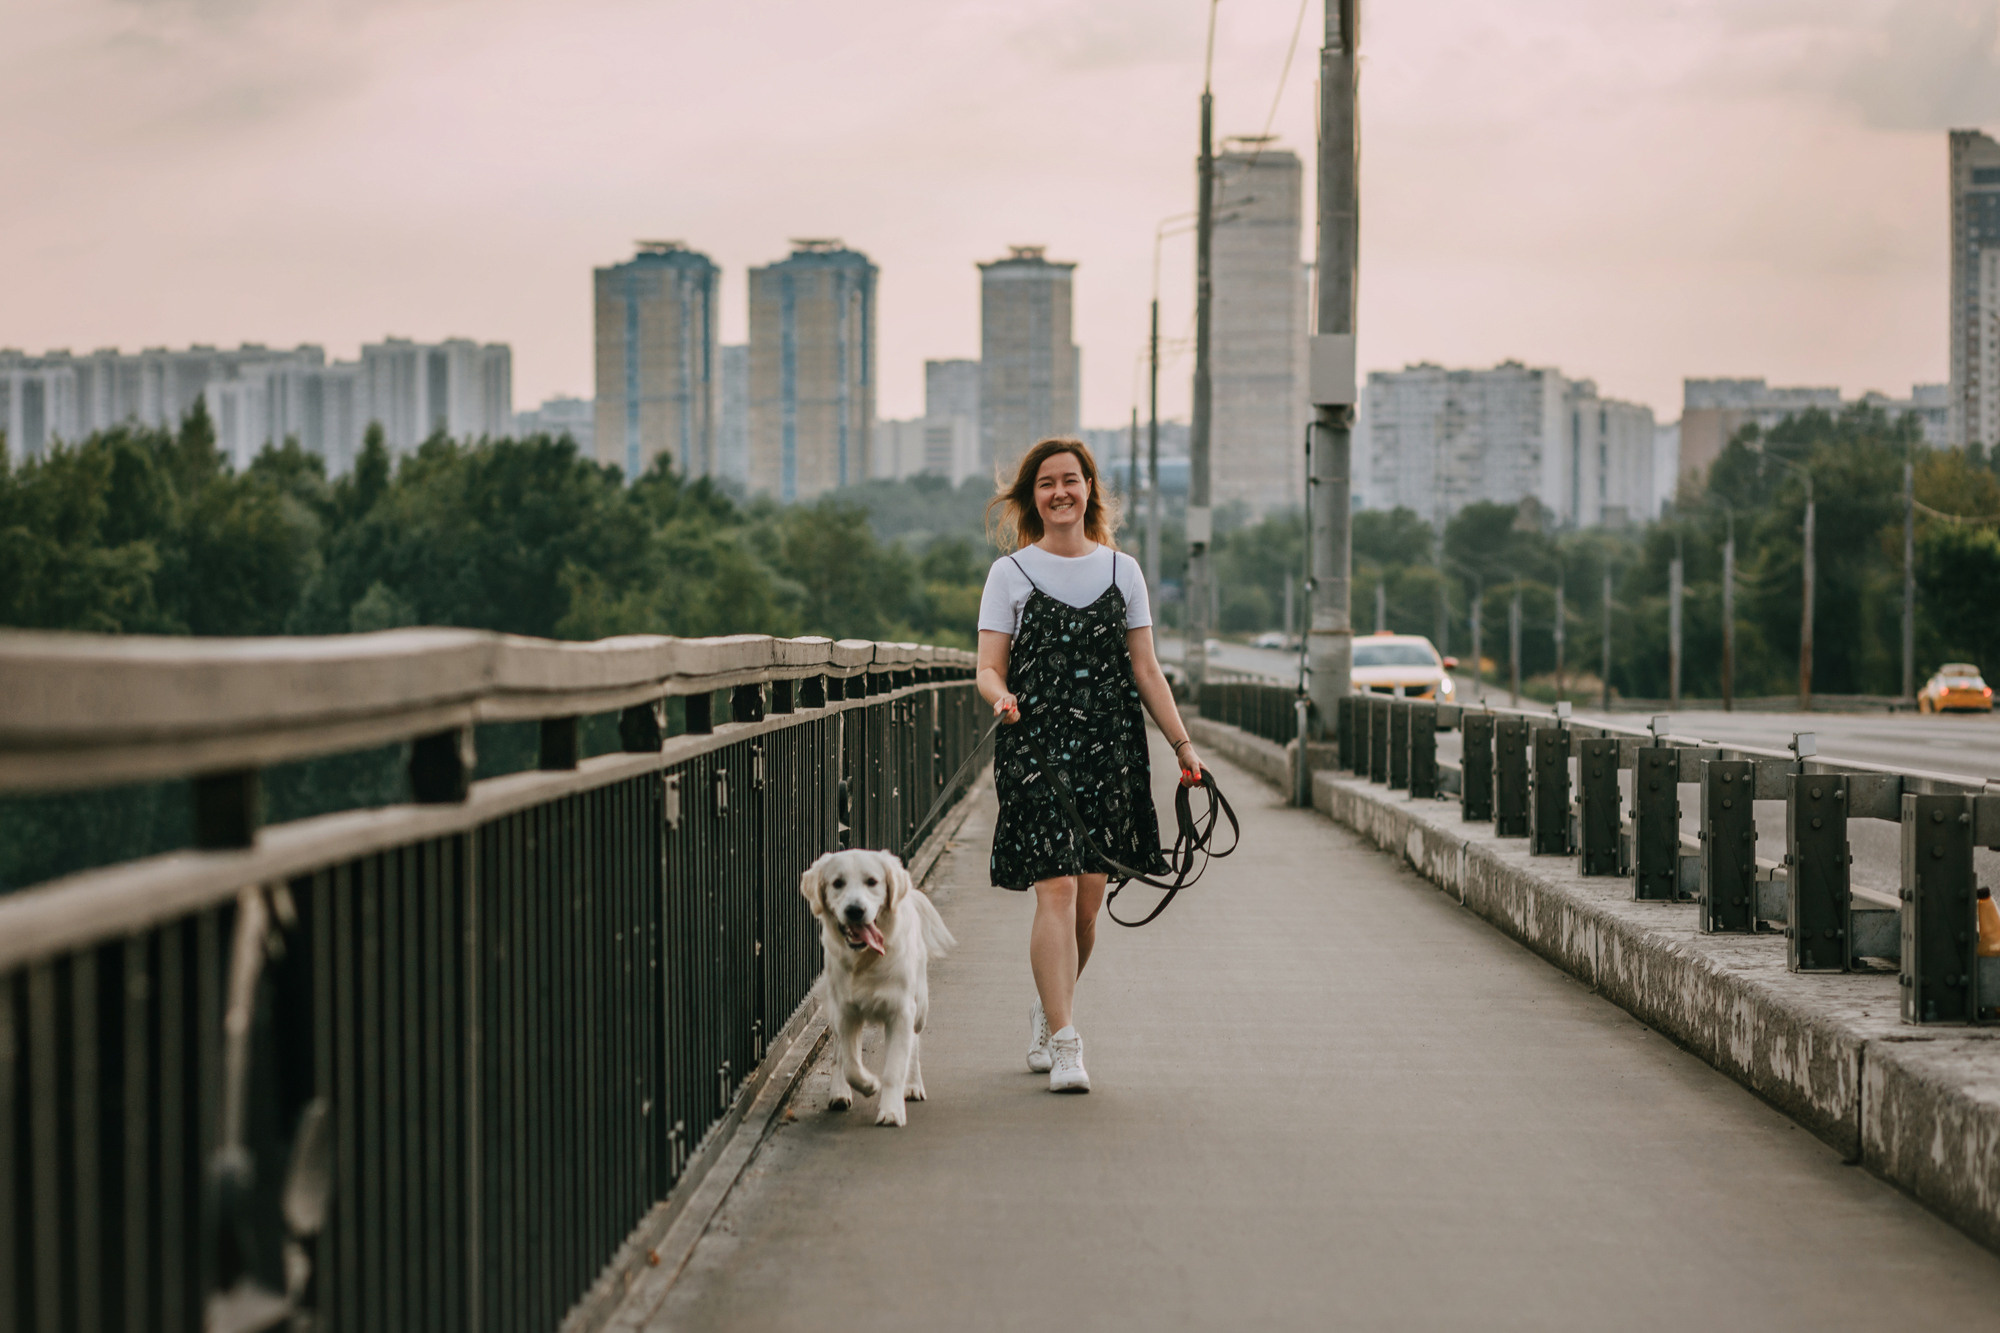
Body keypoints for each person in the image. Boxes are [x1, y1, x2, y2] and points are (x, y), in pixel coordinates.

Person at [975, 436, 1205, 1094]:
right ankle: (1067, 1042)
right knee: (1056, 886)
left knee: (1088, 903)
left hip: (1110, 749)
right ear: (1032, 497)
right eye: (1046, 483)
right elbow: (987, 668)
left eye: (1070, 480)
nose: (1060, 492)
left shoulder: (1122, 572)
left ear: (1088, 489)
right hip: (1036, 747)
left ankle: (1049, 1010)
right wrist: (1001, 696)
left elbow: (1146, 670)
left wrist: (1183, 747)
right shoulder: (1009, 574)